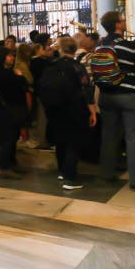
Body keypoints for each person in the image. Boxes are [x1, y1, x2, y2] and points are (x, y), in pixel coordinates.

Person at [96, 11, 135, 190]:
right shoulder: (129, 46)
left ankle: (107, 173)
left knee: (109, 136)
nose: (125, 21)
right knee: (134, 137)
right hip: (129, 96)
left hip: (106, 95)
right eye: (122, 20)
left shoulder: (99, 46)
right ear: (117, 25)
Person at [40, 37, 97, 190]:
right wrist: (92, 110)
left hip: (54, 109)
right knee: (74, 141)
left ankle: (62, 171)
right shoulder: (76, 67)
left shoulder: (51, 65)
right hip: (74, 109)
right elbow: (87, 87)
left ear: (60, 49)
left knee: (61, 140)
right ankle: (70, 178)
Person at [0, 47, 26, 179]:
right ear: (2, 58)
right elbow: (22, 84)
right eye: (9, 56)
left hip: (13, 107)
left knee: (13, 137)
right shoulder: (2, 73)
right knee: (8, 138)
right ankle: (5, 167)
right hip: (7, 109)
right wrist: (20, 77)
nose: (12, 58)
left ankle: (11, 162)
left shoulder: (8, 72)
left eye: (12, 56)